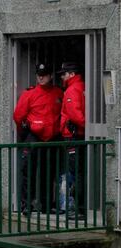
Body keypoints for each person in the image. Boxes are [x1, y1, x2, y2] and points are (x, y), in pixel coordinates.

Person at [13, 63, 63, 216]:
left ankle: (46, 204)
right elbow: (18, 116)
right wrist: (25, 135)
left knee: (49, 172)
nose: (41, 77)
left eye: (44, 74)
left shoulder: (58, 93)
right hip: (34, 137)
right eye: (39, 75)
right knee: (28, 171)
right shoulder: (29, 94)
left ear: (51, 75)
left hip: (52, 138)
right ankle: (26, 204)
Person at [58, 62, 85, 220]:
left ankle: (74, 208)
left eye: (64, 73)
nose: (62, 76)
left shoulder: (72, 89)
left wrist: (83, 126)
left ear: (72, 74)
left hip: (73, 136)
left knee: (74, 173)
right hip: (80, 135)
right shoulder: (83, 86)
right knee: (79, 171)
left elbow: (75, 115)